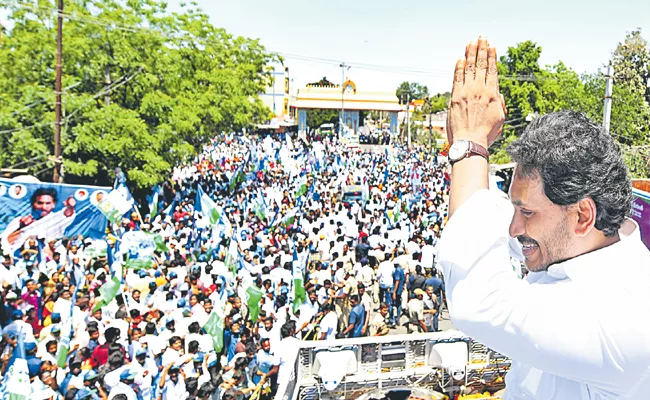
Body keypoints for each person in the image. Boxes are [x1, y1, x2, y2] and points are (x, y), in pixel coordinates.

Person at [438, 34, 650, 399]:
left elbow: (479, 301)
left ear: (583, 215)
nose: (514, 227)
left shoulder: (624, 311)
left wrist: (471, 141)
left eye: (527, 212)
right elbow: (481, 230)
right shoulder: (581, 247)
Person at [1, 187, 77, 253]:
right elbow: (5, 243)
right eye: (40, 203)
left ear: (53, 204)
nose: (44, 207)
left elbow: (67, 214)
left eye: (48, 203)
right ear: (33, 204)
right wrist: (21, 228)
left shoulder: (56, 218)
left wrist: (70, 207)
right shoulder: (19, 221)